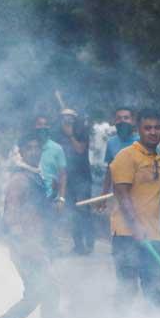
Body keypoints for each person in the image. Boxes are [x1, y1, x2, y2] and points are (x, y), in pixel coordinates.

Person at [0, 133, 59, 318]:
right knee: (45, 291)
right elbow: (11, 216)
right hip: (25, 246)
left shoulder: (35, 176)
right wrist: (25, 244)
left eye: (37, 148)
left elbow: (37, 211)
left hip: (35, 244)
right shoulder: (20, 179)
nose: (33, 152)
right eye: (29, 148)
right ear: (22, 152)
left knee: (41, 293)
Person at [110, 109, 160, 306]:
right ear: (139, 130)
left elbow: (157, 199)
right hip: (128, 234)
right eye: (148, 128)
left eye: (157, 128)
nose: (153, 132)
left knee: (155, 289)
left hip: (153, 235)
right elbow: (122, 194)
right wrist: (135, 226)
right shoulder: (126, 156)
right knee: (127, 289)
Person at [58, 108, 94, 254]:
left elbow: (80, 150)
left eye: (70, 117)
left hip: (82, 177)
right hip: (67, 178)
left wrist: (71, 135)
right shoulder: (58, 135)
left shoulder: (81, 133)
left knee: (84, 210)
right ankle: (78, 244)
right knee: (72, 211)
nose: (67, 120)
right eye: (64, 117)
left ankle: (89, 242)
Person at [99, 107, 140, 199]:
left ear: (133, 121)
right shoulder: (111, 143)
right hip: (119, 195)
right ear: (114, 122)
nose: (122, 121)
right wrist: (104, 194)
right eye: (119, 118)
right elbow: (110, 170)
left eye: (126, 118)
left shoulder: (142, 141)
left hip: (140, 194)